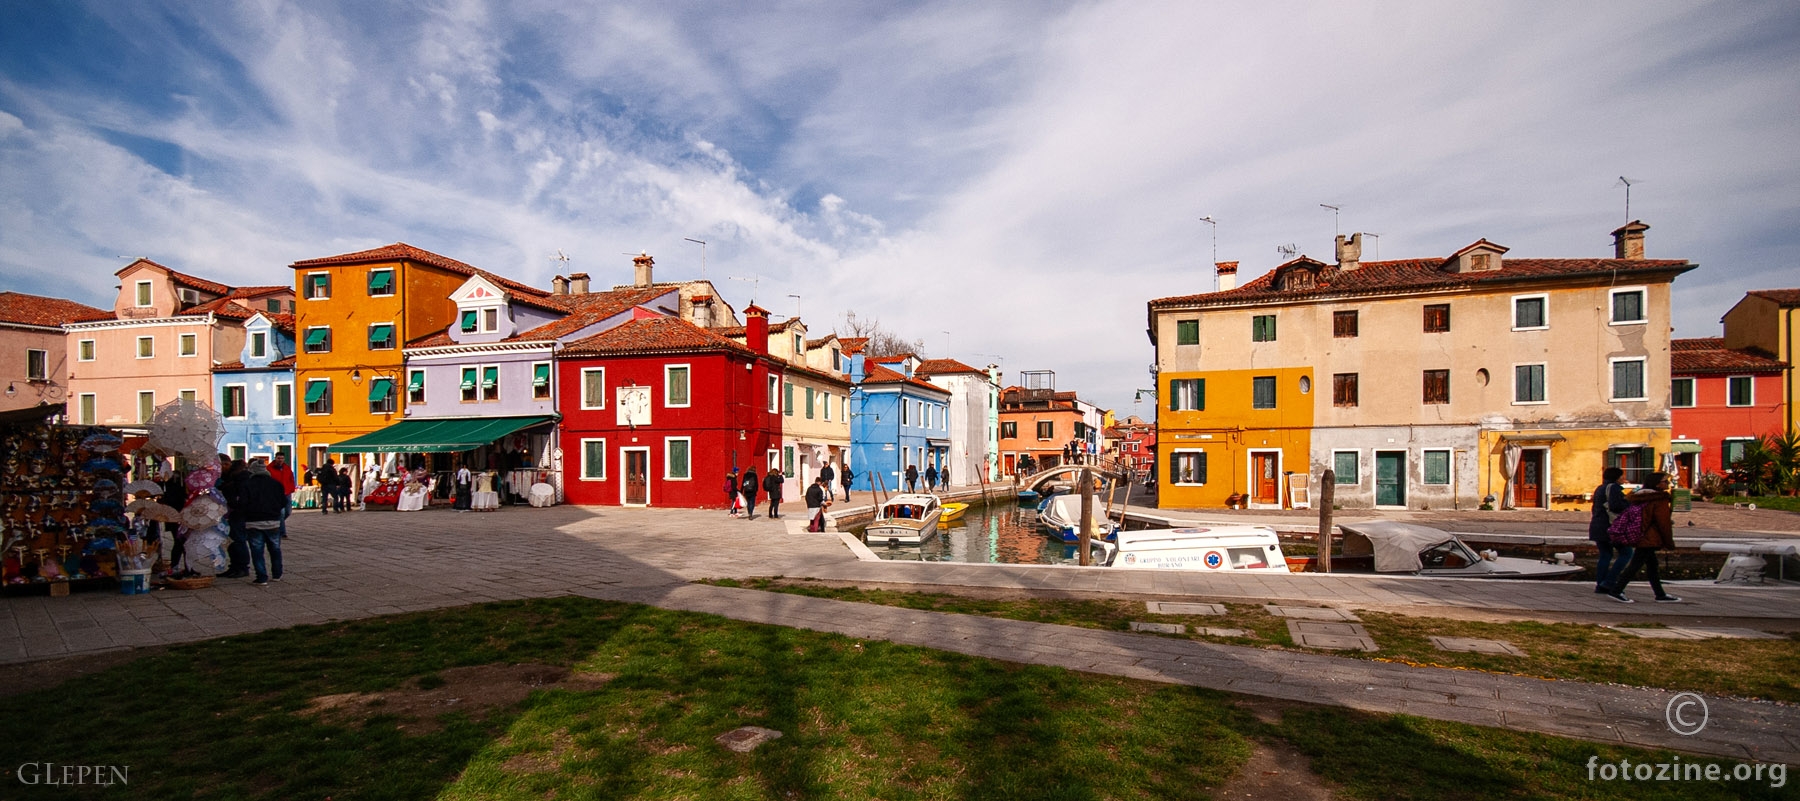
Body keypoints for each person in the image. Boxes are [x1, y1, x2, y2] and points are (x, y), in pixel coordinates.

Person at [1606, 472, 1682, 604]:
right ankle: (1617, 590)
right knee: (1635, 565)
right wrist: (1669, 542)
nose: (1668, 484)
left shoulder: (1640, 497)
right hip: (1649, 538)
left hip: (1640, 535)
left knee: (1652, 566)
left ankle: (1660, 594)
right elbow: (1663, 523)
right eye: (1665, 482)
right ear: (1657, 483)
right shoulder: (1659, 499)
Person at [238, 460, 288, 586]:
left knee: (257, 551)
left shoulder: (247, 484)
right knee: (275, 549)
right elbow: (283, 502)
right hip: (273, 521)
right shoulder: (276, 484)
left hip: (253, 522)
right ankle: (277, 574)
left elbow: (242, 503)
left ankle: (262, 577)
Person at [1588, 467, 1631, 594]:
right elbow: (1616, 506)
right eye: (1622, 476)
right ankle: (1609, 581)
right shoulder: (1614, 488)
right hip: (1611, 527)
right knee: (1627, 553)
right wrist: (1629, 502)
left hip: (1597, 526)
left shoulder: (1600, 488)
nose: (1624, 479)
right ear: (1617, 477)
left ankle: (1601, 584)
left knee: (1605, 555)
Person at [218, 458, 251, 578]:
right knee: (230, 540)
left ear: (227, 464)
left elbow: (242, 496)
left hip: (239, 512)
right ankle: (234, 566)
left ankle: (242, 567)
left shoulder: (241, 477)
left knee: (238, 539)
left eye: (220, 465)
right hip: (230, 512)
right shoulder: (228, 477)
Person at [268, 456, 296, 539]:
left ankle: (277, 523)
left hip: (287, 492)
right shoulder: (269, 468)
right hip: (276, 494)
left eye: (282, 458)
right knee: (282, 513)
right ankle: (282, 533)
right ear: (275, 458)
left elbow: (291, 479)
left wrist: (292, 488)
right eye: (278, 458)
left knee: (288, 512)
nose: (280, 460)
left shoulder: (287, 468)